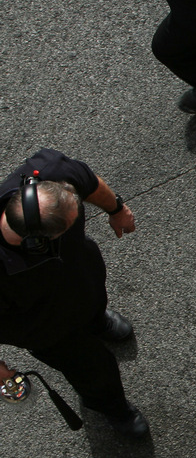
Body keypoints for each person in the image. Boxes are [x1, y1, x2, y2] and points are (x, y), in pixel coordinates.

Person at [0, 149, 147, 438]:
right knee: (90, 369)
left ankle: (97, 321)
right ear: (39, 244)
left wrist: (117, 210)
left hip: (79, 277)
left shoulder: (51, 175)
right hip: (42, 327)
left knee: (92, 296)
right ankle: (113, 407)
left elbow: (87, 182)